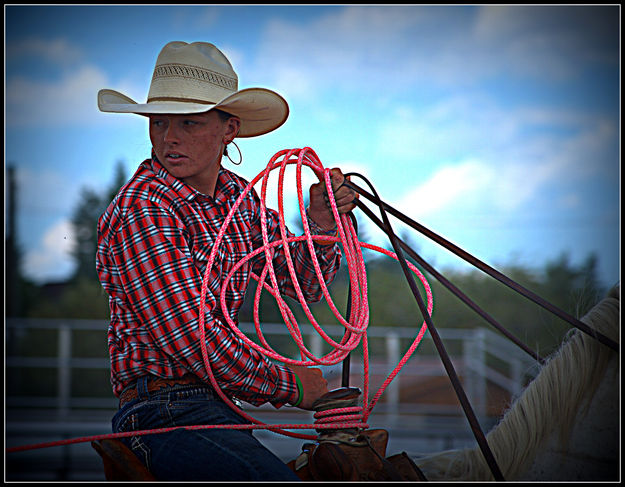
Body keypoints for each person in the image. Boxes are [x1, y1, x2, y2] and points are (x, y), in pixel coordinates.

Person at [95, 41, 357, 481]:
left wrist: (321, 223)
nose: (168, 138)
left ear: (228, 128)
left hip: (215, 406)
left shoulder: (237, 199)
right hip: (160, 411)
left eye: (189, 124)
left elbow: (302, 284)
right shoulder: (144, 207)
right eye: (158, 123)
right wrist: (290, 385)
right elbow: (190, 339)